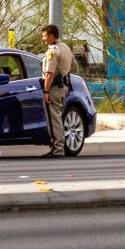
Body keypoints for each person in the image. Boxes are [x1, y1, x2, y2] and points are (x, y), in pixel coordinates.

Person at [40, 23, 75, 157]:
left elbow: (49, 73)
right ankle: (59, 147)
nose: (43, 39)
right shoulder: (65, 47)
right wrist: (63, 73)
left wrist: (46, 91)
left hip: (54, 88)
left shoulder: (52, 52)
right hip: (64, 87)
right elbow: (74, 66)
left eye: (44, 36)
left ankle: (57, 149)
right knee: (58, 118)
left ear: (52, 36)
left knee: (53, 119)